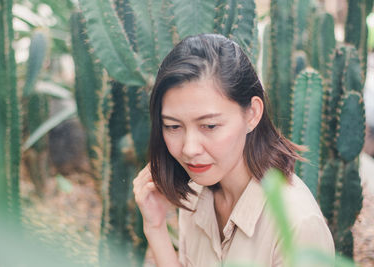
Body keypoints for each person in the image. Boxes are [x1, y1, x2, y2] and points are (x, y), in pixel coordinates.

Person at [133, 33, 334, 267]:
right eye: (173, 126)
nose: (189, 149)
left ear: (252, 114)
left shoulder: (297, 225)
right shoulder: (197, 190)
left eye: (209, 126)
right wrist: (155, 227)